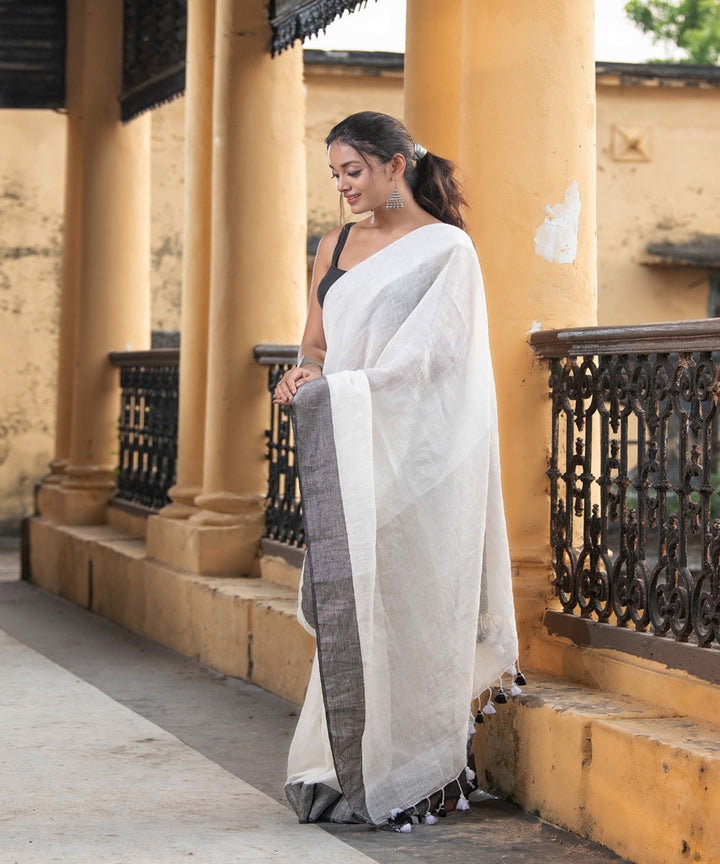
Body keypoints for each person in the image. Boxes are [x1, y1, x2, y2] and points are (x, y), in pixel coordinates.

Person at [273, 112, 519, 832]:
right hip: (351, 452)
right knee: (355, 606)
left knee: (412, 608)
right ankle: (344, 766)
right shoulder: (335, 245)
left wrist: (356, 391)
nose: (344, 187)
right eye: (335, 175)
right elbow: (315, 345)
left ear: (397, 164)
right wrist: (301, 376)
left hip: (418, 457)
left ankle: (419, 770)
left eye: (354, 171)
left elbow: (439, 359)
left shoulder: (447, 250)